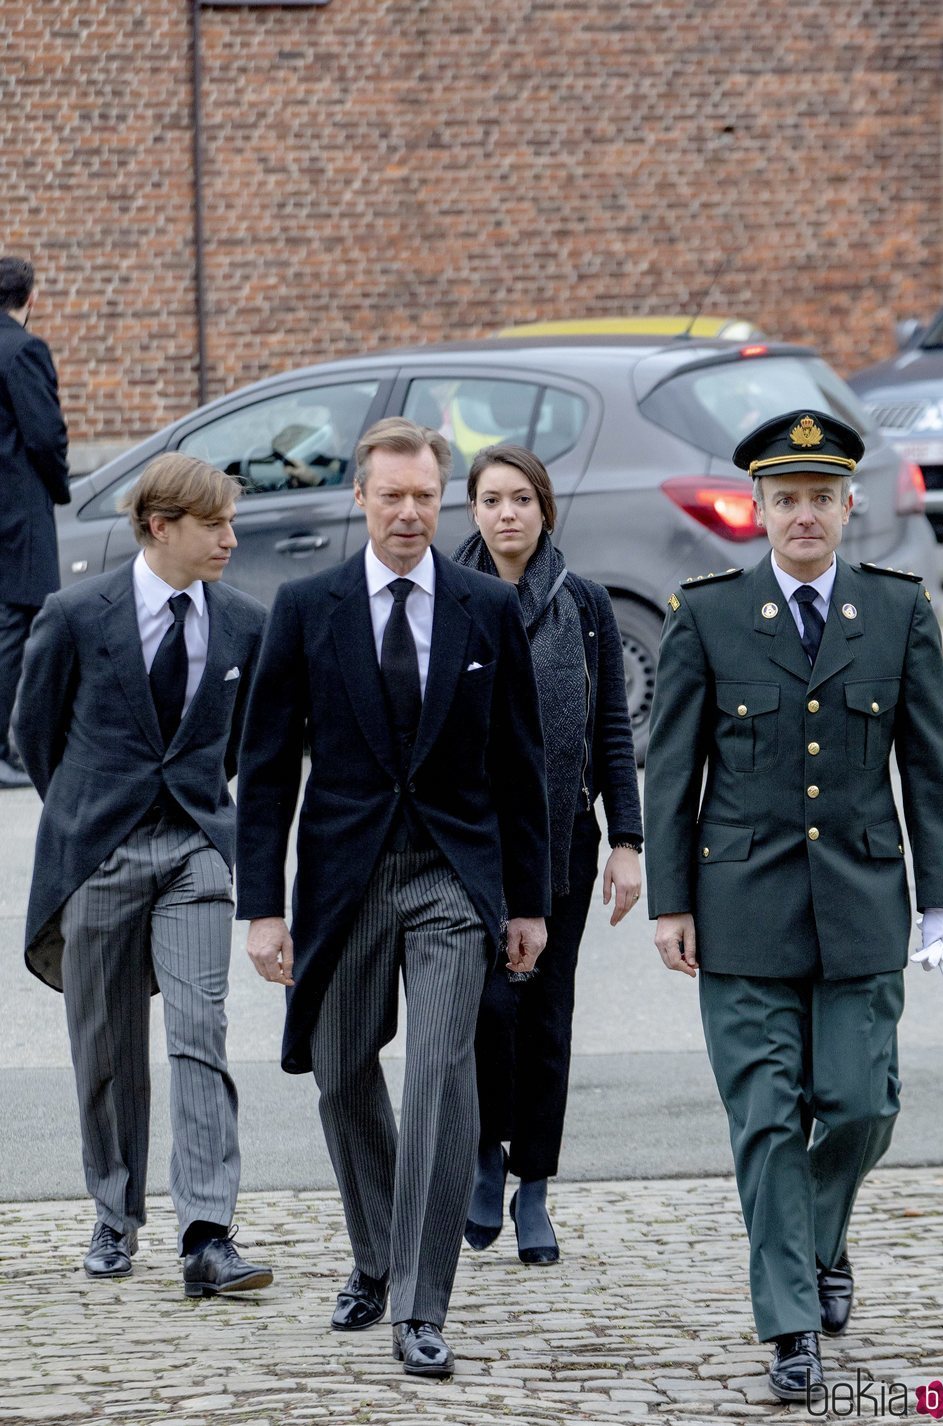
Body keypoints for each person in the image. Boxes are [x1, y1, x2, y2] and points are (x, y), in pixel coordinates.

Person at [644, 410, 943, 1403]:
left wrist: (941, 900)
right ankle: (789, 1327)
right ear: (756, 508)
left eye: (818, 498)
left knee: (861, 1104)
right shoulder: (705, 615)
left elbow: (929, 764)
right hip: (740, 908)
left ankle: (817, 1238)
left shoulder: (898, 610)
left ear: (846, 505)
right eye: (783, 499)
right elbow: (669, 768)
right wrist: (669, 901)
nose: (801, 516)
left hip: (864, 903)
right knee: (768, 1124)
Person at [236, 417, 550, 1379]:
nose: (409, 512)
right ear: (361, 499)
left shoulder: (485, 609)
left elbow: (522, 766)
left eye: (424, 496)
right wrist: (263, 907)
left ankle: (419, 1298)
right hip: (344, 881)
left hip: (454, 878)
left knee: (442, 1074)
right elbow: (263, 771)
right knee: (340, 1074)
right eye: (391, 495)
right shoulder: (306, 607)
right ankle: (374, 1255)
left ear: (439, 498)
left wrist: (527, 902)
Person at [15, 453, 273, 1298]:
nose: (231, 540)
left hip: (196, 849)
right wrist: (91, 810)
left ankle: (207, 1233)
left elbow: (241, 748)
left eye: (233, 524)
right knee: (107, 1045)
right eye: (214, 525)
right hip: (98, 853)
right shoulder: (75, 614)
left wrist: (203, 807)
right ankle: (114, 1213)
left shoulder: (242, 621)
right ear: (160, 527)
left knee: (201, 1032)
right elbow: (35, 732)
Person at [453, 443, 642, 1264]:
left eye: (521, 499)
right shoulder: (446, 598)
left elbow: (612, 735)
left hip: (563, 836)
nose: (507, 514)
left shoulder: (586, 606)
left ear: (545, 509)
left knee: (545, 1017)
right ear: (473, 511)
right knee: (483, 1009)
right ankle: (483, 1156)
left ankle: (534, 1183)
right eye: (492, 500)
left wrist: (627, 841)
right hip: (467, 842)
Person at [0, 256, 70, 788]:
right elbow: (44, 435)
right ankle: (7, 750)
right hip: (17, 516)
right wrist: (61, 485)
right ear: (32, 298)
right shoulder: (24, 350)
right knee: (17, 629)